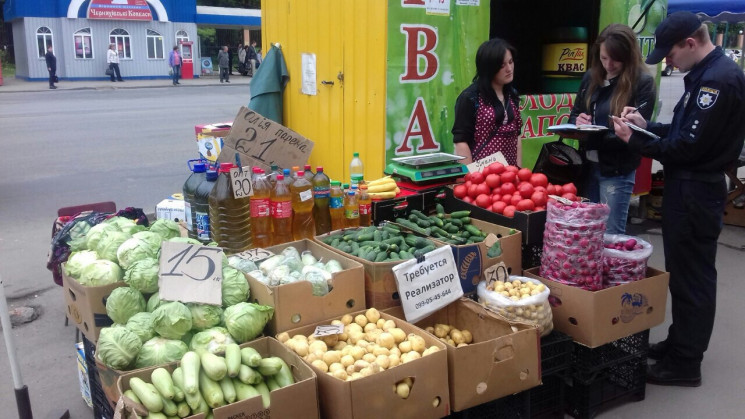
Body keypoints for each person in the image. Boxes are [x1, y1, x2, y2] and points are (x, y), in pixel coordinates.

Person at [612, 12, 745, 387]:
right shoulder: (707, 73)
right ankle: (680, 343)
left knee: (693, 279)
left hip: (695, 189)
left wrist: (634, 141)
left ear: (690, 42)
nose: (667, 62)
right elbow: (684, 130)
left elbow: (687, 147)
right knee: (685, 274)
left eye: (669, 54)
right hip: (691, 187)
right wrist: (646, 126)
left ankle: (685, 363)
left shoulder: (716, 81)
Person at [567, 24, 656, 234]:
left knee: (611, 238)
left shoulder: (642, 82)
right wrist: (578, 122)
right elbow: (574, 114)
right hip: (587, 167)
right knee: (585, 235)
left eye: (615, 59)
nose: (608, 64)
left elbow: (634, 133)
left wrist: (590, 135)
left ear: (628, 56)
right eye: (603, 57)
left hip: (617, 171)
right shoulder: (591, 77)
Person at [452, 38, 522, 166]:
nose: (509, 69)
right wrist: (470, 178)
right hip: (482, 176)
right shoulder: (470, 97)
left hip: (509, 176)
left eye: (511, 62)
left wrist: (518, 171)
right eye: (502, 65)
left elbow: (517, 135)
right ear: (489, 68)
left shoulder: (512, 94)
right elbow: (461, 141)